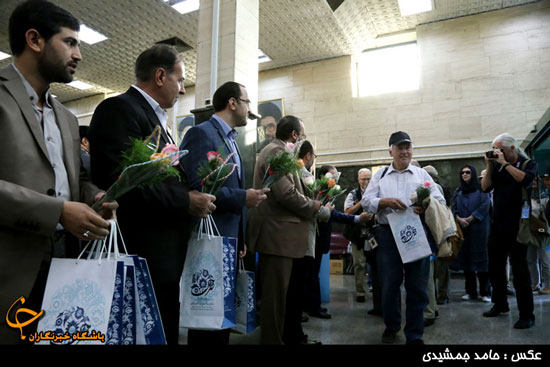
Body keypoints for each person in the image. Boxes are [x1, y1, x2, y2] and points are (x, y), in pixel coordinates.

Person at [0, 0, 117, 344]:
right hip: (9, 269)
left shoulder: (66, 117)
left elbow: (73, 179)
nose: (78, 54)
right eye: (69, 42)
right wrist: (58, 212)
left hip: (64, 263)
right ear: (35, 40)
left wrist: (95, 197)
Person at [88, 44, 215, 344]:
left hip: (165, 251)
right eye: (181, 80)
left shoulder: (157, 119)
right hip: (142, 249)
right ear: (160, 76)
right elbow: (124, 182)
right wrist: (186, 200)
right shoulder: (119, 109)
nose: (183, 90)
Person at [179, 81, 268, 344]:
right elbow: (199, 187)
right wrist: (245, 197)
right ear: (232, 103)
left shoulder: (231, 140)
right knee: (207, 319)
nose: (249, 109)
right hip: (210, 240)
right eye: (247, 102)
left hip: (228, 239)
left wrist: (240, 239)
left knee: (223, 317)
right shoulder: (202, 134)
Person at [362, 131, 445, 345]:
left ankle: (415, 334)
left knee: (417, 286)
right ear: (391, 151)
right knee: (390, 284)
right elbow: (366, 201)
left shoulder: (421, 175)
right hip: (388, 235)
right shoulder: (380, 175)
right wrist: (384, 202)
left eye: (408, 147)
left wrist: (425, 205)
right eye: (400, 148)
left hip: (416, 232)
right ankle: (391, 326)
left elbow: (439, 199)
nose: (405, 151)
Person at [247, 115, 323, 345]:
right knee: (275, 300)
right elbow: (285, 194)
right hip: (277, 236)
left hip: (284, 238)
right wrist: (314, 207)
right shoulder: (275, 152)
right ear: (294, 135)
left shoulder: (281, 152)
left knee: (282, 298)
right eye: (302, 134)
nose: (303, 138)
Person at [481, 132, 537, 329]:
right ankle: (500, 303)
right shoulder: (496, 165)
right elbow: (485, 187)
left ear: (512, 148)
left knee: (519, 270)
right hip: (498, 223)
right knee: (495, 266)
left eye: (500, 150)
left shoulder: (527, 164)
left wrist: (505, 164)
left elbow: (526, 181)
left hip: (518, 225)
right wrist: (489, 165)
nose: (497, 153)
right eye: (495, 150)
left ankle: (527, 314)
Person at [452, 165, 492, 302]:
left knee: (482, 260)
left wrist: (471, 218)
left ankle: (485, 292)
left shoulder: (481, 189)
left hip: (479, 229)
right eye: (462, 172)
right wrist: (458, 218)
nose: (465, 174)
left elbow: (485, 205)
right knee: (467, 261)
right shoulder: (459, 190)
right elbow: (453, 208)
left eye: (468, 172)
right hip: (464, 230)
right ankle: (471, 291)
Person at [343, 168, 376, 306]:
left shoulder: (376, 193)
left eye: (369, 179)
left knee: (375, 264)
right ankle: (360, 292)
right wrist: (361, 203)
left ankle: (376, 290)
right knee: (359, 264)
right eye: (363, 179)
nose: (366, 182)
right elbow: (346, 212)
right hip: (357, 234)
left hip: (373, 234)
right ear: (358, 180)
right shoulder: (352, 194)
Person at [423, 165, 451, 306]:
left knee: (440, 266)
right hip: (438, 231)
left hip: (438, 231)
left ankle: (441, 294)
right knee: (436, 267)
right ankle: (439, 295)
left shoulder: (436, 190)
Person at [526, 177, 550, 295]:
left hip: (545, 233)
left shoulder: (545, 197)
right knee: (531, 259)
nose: (534, 182)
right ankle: (535, 283)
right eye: (532, 180)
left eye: (536, 180)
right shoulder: (526, 196)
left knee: (545, 259)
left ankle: (549, 285)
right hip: (530, 232)